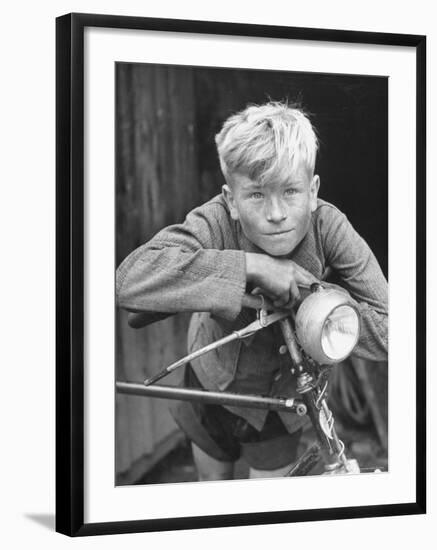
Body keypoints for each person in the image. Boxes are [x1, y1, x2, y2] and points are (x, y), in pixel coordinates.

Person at [116, 101, 388, 481]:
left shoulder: (329, 227)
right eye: (257, 195)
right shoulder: (214, 220)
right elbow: (129, 280)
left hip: (280, 401)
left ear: (313, 191)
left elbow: (392, 329)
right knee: (212, 494)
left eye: (291, 191)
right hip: (210, 380)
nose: (276, 213)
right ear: (230, 199)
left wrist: (312, 297)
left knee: (264, 510)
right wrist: (252, 267)